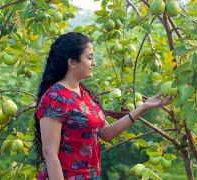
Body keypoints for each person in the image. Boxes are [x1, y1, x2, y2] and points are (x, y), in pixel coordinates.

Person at [34, 32, 171, 180]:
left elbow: (106, 133)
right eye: (89, 58)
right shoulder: (55, 97)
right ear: (72, 62)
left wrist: (144, 107)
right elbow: (49, 152)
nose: (94, 63)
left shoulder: (84, 94)